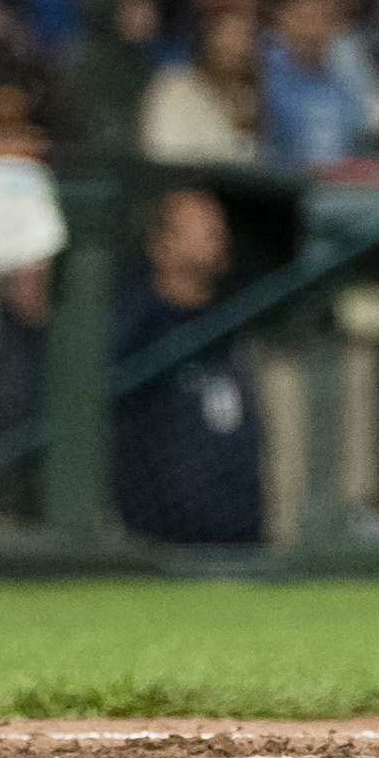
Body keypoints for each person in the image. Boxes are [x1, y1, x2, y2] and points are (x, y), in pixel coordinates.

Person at [108, 185, 264, 544]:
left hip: (239, 540)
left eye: (217, 222)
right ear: (160, 244)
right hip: (160, 543)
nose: (216, 231)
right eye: (199, 223)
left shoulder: (232, 326)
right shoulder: (133, 331)